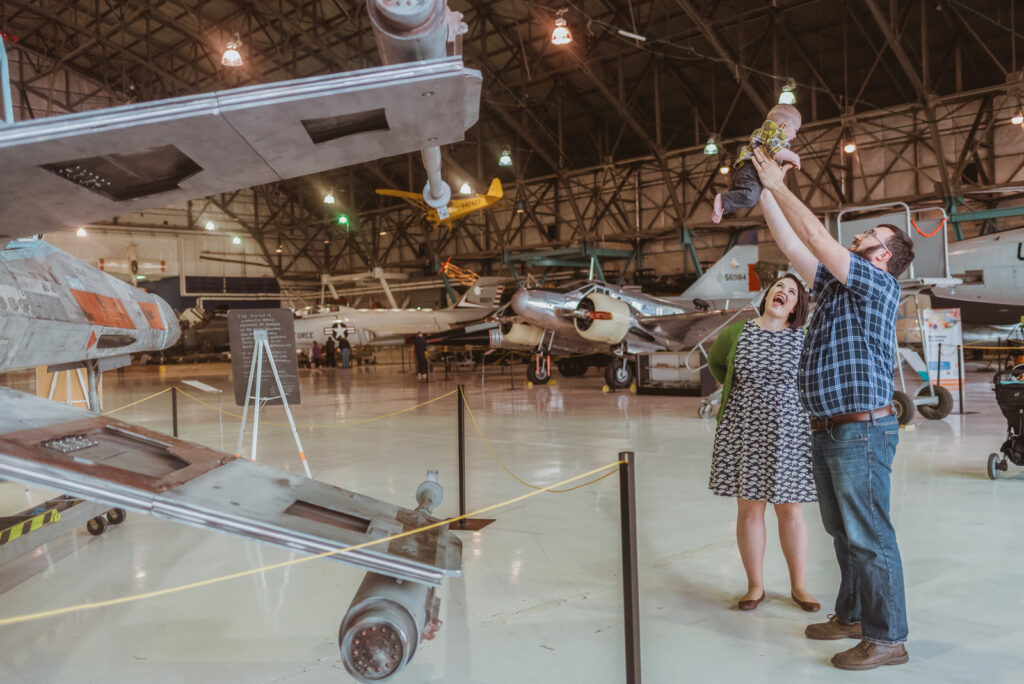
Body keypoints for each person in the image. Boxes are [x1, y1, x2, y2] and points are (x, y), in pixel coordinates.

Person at [751, 145, 915, 670]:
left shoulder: (878, 282)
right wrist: (763, 185)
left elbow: (818, 237)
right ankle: (852, 616)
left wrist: (780, 183)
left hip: (860, 431)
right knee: (843, 533)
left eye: (873, 235)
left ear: (885, 254)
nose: (863, 234)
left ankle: (887, 638)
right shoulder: (837, 287)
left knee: (869, 535)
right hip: (828, 429)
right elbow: (794, 242)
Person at [707, 274, 819, 613]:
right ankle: (755, 585)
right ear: (767, 294)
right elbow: (717, 364)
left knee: (791, 511)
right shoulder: (736, 333)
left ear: (797, 306)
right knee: (750, 509)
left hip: (790, 431)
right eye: (778, 288)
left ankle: (799, 586)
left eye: (792, 292)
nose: (783, 293)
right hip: (745, 429)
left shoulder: (804, 338)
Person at [713, 104, 802, 224]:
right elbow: (774, 150)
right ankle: (722, 200)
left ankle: (721, 208)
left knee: (743, 198)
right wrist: (794, 156)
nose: (795, 136)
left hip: (745, 171)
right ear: (783, 126)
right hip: (751, 172)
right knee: (750, 198)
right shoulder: (775, 132)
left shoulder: (765, 132)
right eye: (795, 131)